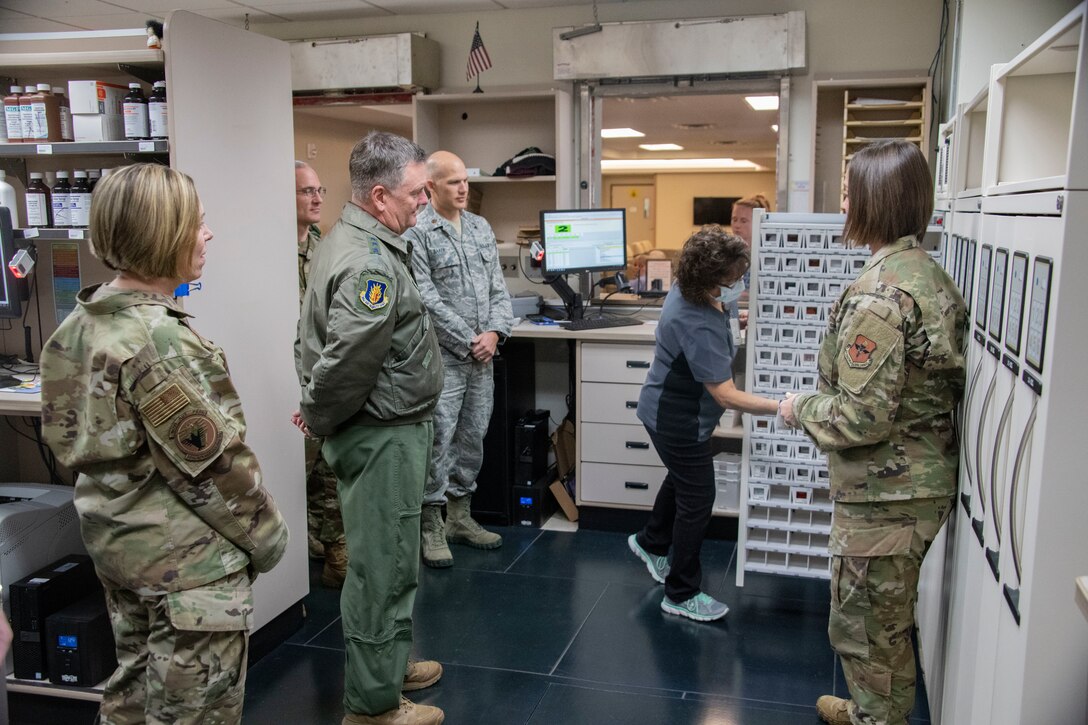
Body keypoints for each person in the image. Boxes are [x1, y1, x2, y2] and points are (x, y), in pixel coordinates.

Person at [39, 163, 289, 723]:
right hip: (188, 571)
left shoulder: (79, 325)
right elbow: (212, 470)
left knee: (132, 695)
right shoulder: (159, 342)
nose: (208, 234)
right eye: (197, 224)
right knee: (195, 711)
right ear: (163, 235)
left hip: (122, 550)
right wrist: (270, 539)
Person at [779, 140, 966, 725]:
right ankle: (871, 711)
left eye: (848, 193)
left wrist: (798, 406)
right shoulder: (923, 272)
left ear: (874, 201)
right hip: (912, 483)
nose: (842, 204)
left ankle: (877, 718)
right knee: (884, 620)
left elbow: (861, 416)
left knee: (865, 628)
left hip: (889, 494)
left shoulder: (880, 296)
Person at [294, 131, 446, 725]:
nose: (425, 202)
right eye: (417, 192)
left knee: (394, 560)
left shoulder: (355, 239)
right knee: (382, 569)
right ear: (380, 197)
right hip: (380, 434)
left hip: (386, 427)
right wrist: (318, 414)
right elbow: (346, 362)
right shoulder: (369, 264)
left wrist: (318, 409)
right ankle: (374, 707)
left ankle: (389, 664)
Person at [628, 225, 784, 622]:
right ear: (710, 281)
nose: (739, 285)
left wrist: (735, 315)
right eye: (734, 281)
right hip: (675, 419)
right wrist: (782, 407)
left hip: (670, 410)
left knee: (682, 479)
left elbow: (718, 319)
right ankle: (680, 592)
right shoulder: (696, 320)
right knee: (698, 499)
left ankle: (651, 542)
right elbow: (726, 395)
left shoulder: (693, 291)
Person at [402, 151, 513, 568]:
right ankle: (431, 524)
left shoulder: (481, 227)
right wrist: (470, 341)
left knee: (473, 437)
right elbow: (424, 298)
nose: (464, 188)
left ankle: (460, 518)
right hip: (444, 359)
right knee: (439, 440)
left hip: (483, 358)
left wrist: (495, 333)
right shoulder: (418, 232)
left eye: (465, 180)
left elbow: (499, 289)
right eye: (453, 182)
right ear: (431, 187)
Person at [295, 160, 348, 587]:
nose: (316, 198)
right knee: (298, 468)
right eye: (305, 191)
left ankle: (334, 550)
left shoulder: (324, 246)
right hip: (280, 370)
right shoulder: (268, 250)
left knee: (328, 467)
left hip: (317, 369)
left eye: (319, 190)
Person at [729, 193, 771, 327]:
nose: (737, 225)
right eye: (734, 219)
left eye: (743, 221)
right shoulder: (729, 254)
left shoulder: (766, 256)